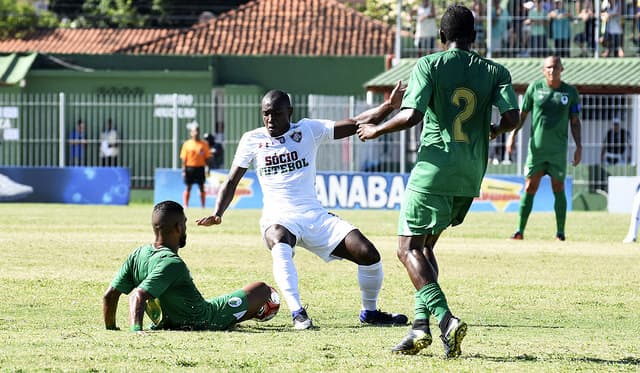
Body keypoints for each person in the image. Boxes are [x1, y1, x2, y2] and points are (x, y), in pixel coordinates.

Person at [356, 5, 520, 358]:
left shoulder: (429, 65)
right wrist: (493, 129)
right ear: (475, 37)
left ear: (441, 37)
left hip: (434, 171)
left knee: (406, 249)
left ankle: (445, 321)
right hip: (470, 174)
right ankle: (419, 328)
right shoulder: (496, 71)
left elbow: (412, 115)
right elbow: (512, 117)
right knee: (426, 248)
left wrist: (375, 128)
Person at [196, 83, 409, 331]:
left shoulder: (308, 130)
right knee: (278, 238)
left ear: (290, 112)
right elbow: (232, 180)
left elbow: (355, 122)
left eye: (276, 113)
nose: (270, 119)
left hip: (314, 216)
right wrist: (218, 213)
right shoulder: (252, 140)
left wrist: (389, 106)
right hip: (278, 217)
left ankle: (370, 313)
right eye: (265, 113)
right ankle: (298, 313)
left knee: (368, 253)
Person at [102, 200, 274, 332]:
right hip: (204, 320)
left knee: (223, 300)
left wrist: (111, 328)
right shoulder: (172, 263)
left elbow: (109, 296)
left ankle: (246, 314)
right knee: (263, 289)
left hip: (169, 322)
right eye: (184, 223)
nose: (185, 228)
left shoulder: (138, 254)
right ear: (178, 227)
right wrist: (136, 331)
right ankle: (254, 312)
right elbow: (137, 296)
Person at [507, 56, 582, 241]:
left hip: (558, 151)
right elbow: (522, 115)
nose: (552, 70)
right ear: (543, 70)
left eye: (555, 67)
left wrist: (579, 146)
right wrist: (512, 135)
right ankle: (519, 231)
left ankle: (560, 233)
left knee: (558, 187)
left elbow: (575, 122)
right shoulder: (535, 88)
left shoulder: (570, 92)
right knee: (530, 186)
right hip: (537, 151)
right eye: (548, 67)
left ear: (561, 69)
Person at [180, 124, 211, 208]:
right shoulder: (187, 144)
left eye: (197, 131)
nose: (196, 133)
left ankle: (203, 205)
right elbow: (183, 158)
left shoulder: (204, 144)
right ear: (191, 133)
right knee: (188, 186)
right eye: (194, 131)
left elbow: (207, 158)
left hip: (200, 168)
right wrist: (183, 170)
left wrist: (207, 168)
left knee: (201, 187)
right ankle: (186, 205)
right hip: (189, 168)